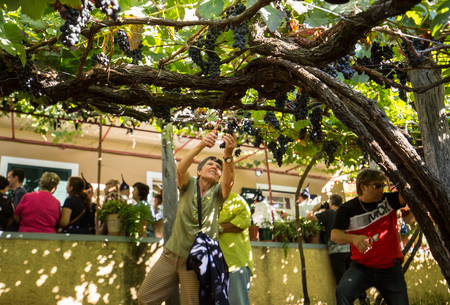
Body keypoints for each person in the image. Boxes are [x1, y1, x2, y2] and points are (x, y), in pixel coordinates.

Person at [137, 131, 237, 305]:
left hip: (195, 261)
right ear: (199, 171)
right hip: (170, 255)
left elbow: (228, 183)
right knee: (145, 298)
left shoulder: (217, 194)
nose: (215, 167)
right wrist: (200, 145)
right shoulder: (188, 184)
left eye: (218, 167)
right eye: (210, 164)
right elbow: (180, 169)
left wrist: (228, 156)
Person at [331, 169, 408, 305]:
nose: (381, 190)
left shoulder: (389, 200)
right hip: (361, 267)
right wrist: (354, 238)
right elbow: (334, 235)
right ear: (363, 187)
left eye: (382, 186)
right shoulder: (347, 208)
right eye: (376, 186)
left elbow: (407, 194)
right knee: (343, 292)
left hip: (390, 268)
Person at [306, 195, 369, 305]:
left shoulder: (328, 214)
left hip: (336, 252)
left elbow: (308, 217)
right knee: (355, 278)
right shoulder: (345, 212)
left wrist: (316, 207)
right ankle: (364, 300)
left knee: (341, 280)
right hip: (350, 250)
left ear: (330, 203)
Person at [218, 192, 253, 305]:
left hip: (235, 263)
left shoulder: (234, 198)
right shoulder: (202, 202)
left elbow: (245, 220)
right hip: (212, 265)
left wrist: (219, 228)